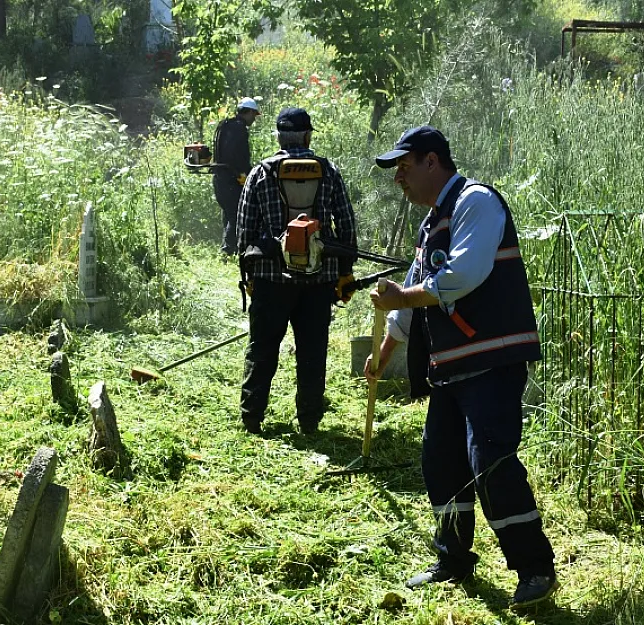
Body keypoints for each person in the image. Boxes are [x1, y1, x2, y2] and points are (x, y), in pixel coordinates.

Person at [366, 126, 558, 608]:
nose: (399, 180)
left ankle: (534, 568)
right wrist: (384, 352)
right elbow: (411, 300)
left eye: (404, 168)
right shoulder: (431, 223)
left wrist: (404, 294)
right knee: (441, 461)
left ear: (433, 161)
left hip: (492, 360)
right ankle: (453, 557)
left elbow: (464, 274)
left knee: (489, 463)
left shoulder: (477, 202)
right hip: (451, 368)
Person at [236, 107, 357, 435]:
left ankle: (252, 417)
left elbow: (245, 233)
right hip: (319, 282)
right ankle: (309, 420)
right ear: (307, 136)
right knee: (313, 351)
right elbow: (346, 226)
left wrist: (248, 276)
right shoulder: (328, 171)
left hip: (271, 281)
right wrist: (344, 273)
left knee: (262, 348)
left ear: (278, 138)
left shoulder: (260, 174)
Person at [213, 97, 261, 256]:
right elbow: (239, 157)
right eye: (254, 115)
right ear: (248, 112)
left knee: (228, 213)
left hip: (220, 179)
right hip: (232, 181)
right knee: (235, 216)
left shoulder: (225, 125)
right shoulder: (239, 129)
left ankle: (228, 249)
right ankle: (227, 252)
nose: (254, 119)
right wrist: (247, 173)